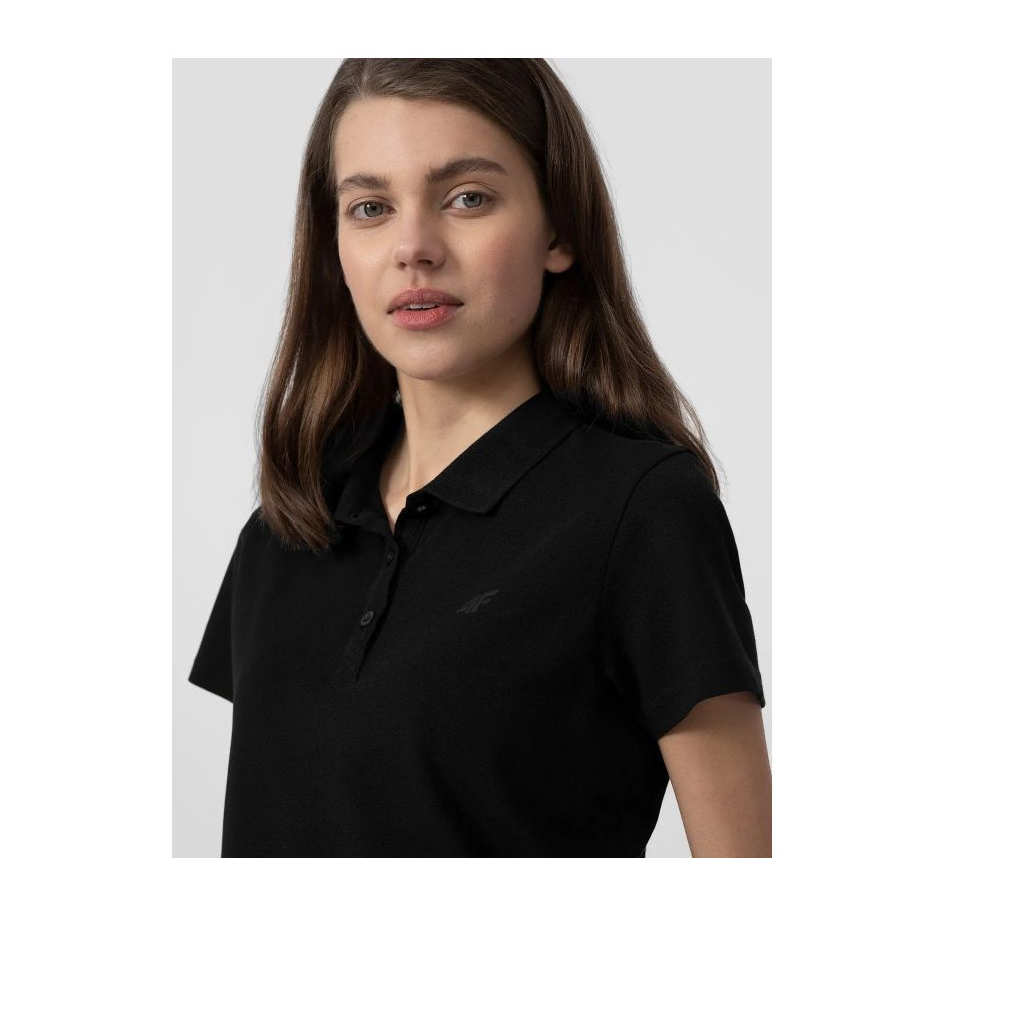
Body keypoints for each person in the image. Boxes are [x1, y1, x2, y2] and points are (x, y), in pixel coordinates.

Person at [188, 58, 771, 857]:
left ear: (559, 230)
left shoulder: (642, 511)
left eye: (467, 198)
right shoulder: (286, 529)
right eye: (370, 207)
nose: (413, 248)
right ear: (333, 246)